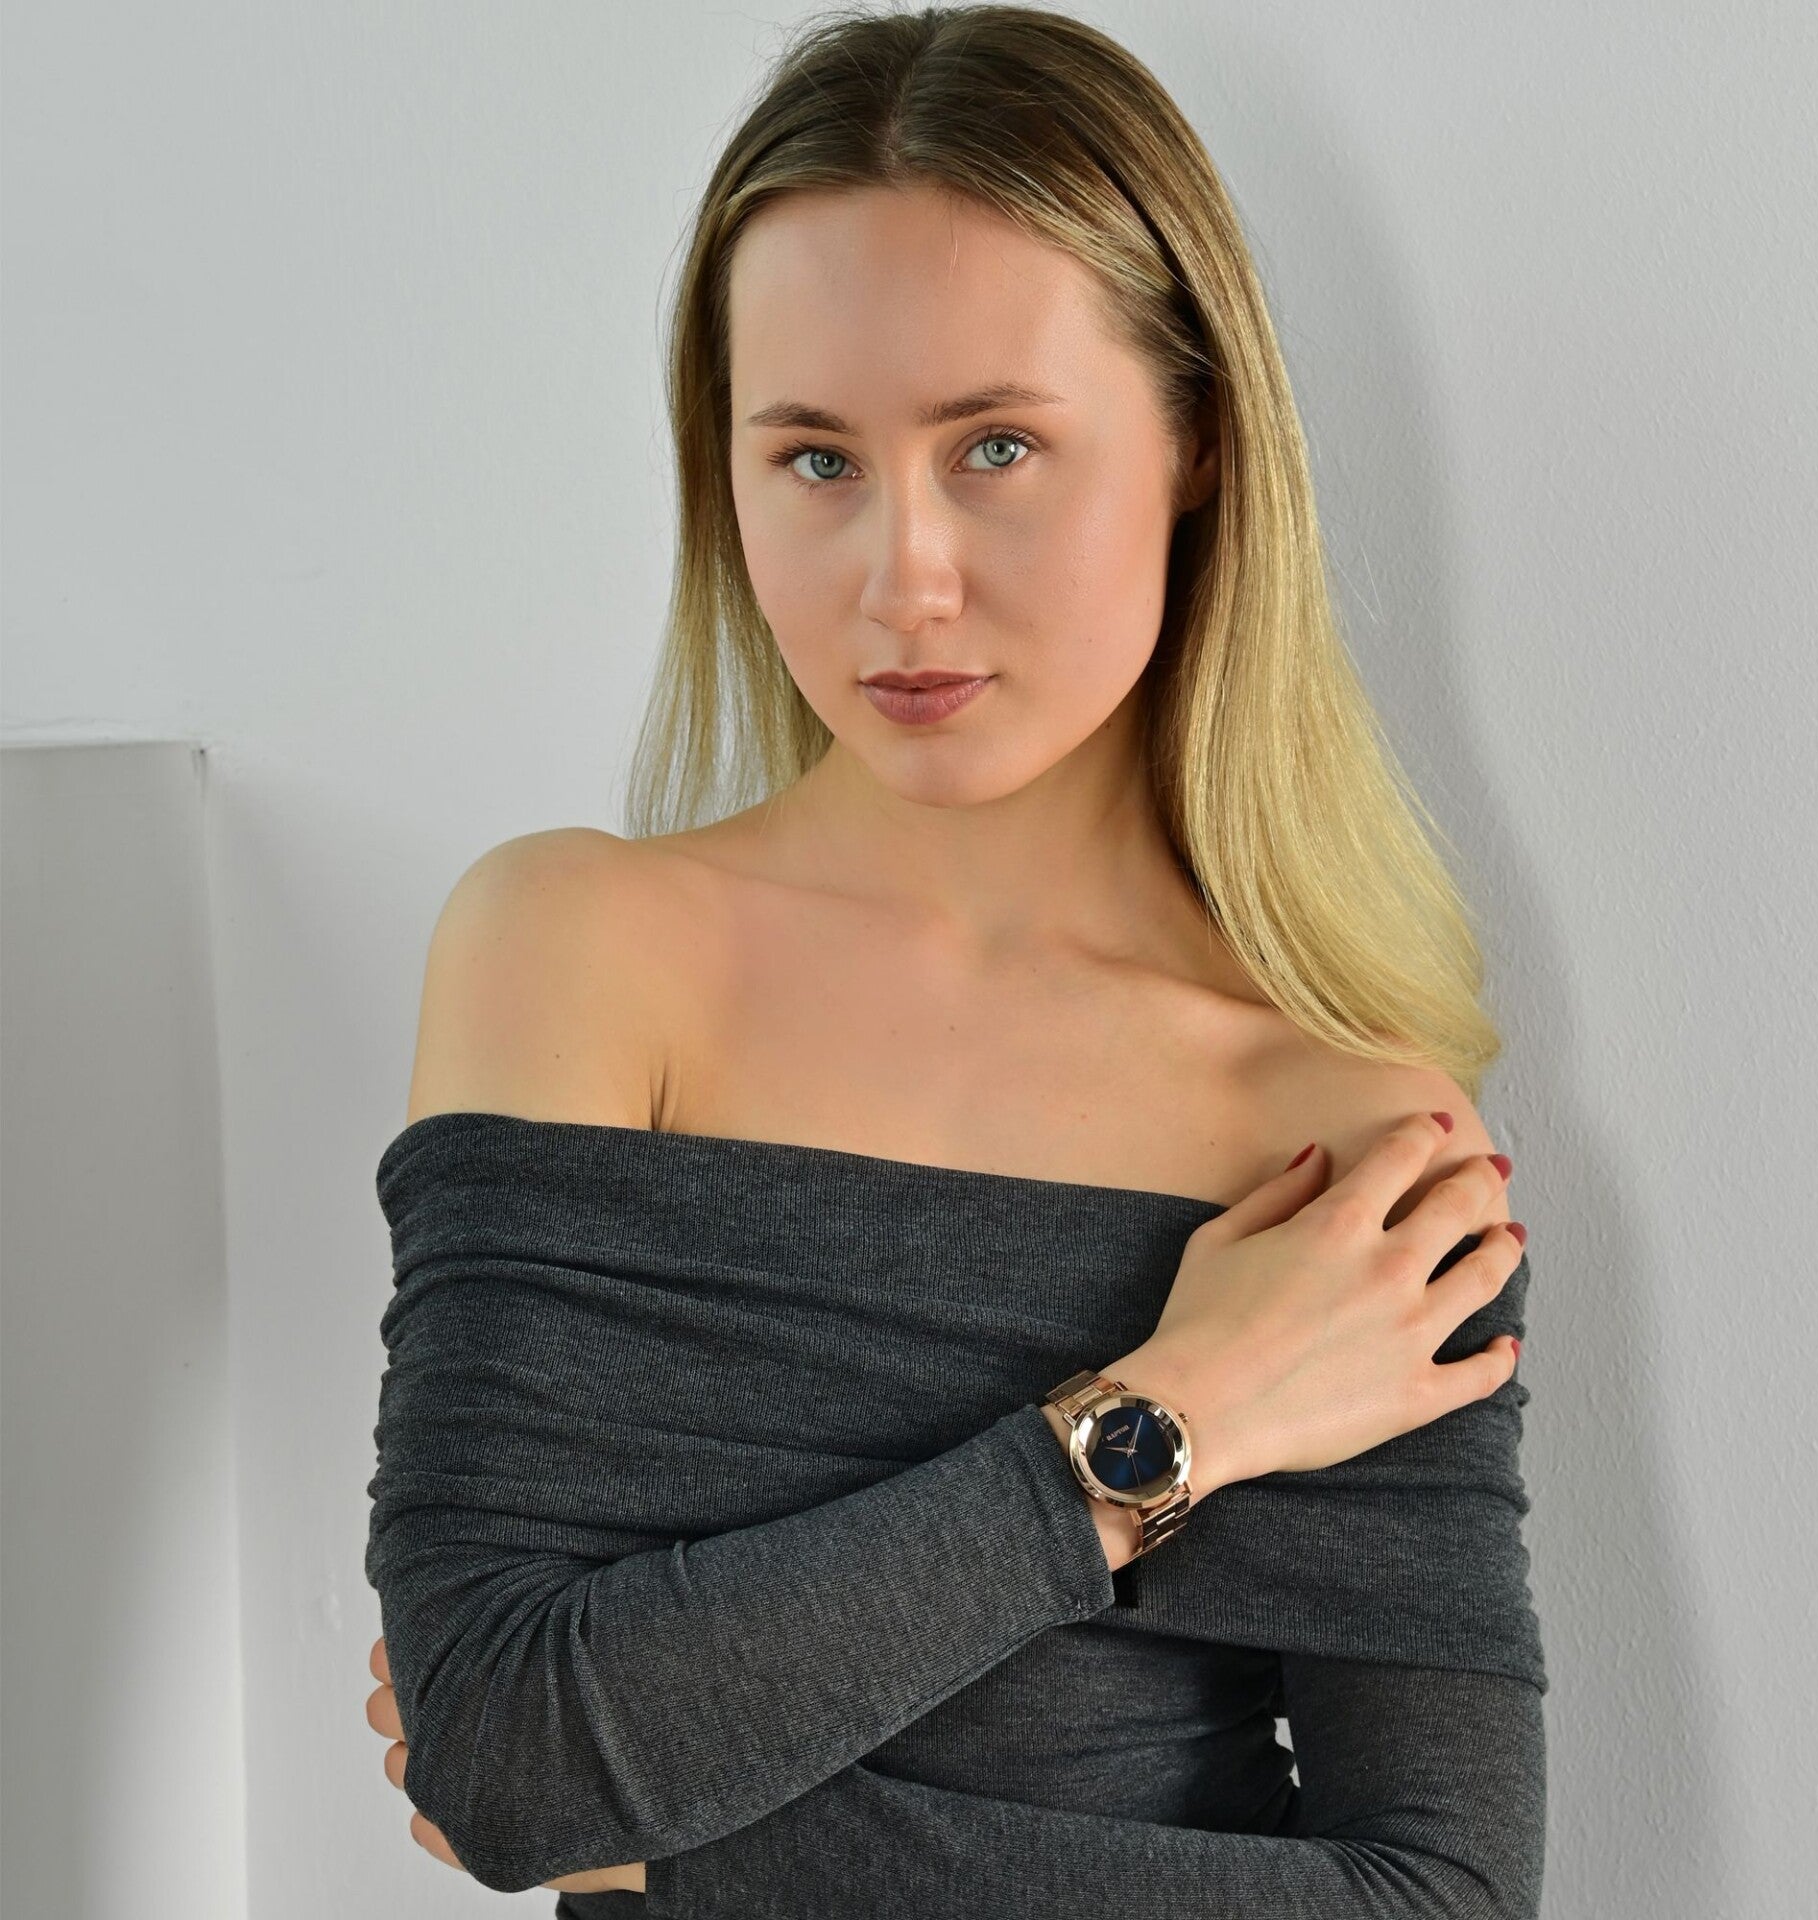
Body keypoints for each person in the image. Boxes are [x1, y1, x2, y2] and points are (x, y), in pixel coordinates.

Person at [362, 6, 1544, 1911]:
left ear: (1197, 441)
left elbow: (1443, 1899)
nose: (902, 577)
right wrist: (1168, 1427)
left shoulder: (1344, 1137)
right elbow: (510, 1751)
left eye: (996, 446)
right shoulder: (580, 952)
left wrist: (660, 1828)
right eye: (815, 459)